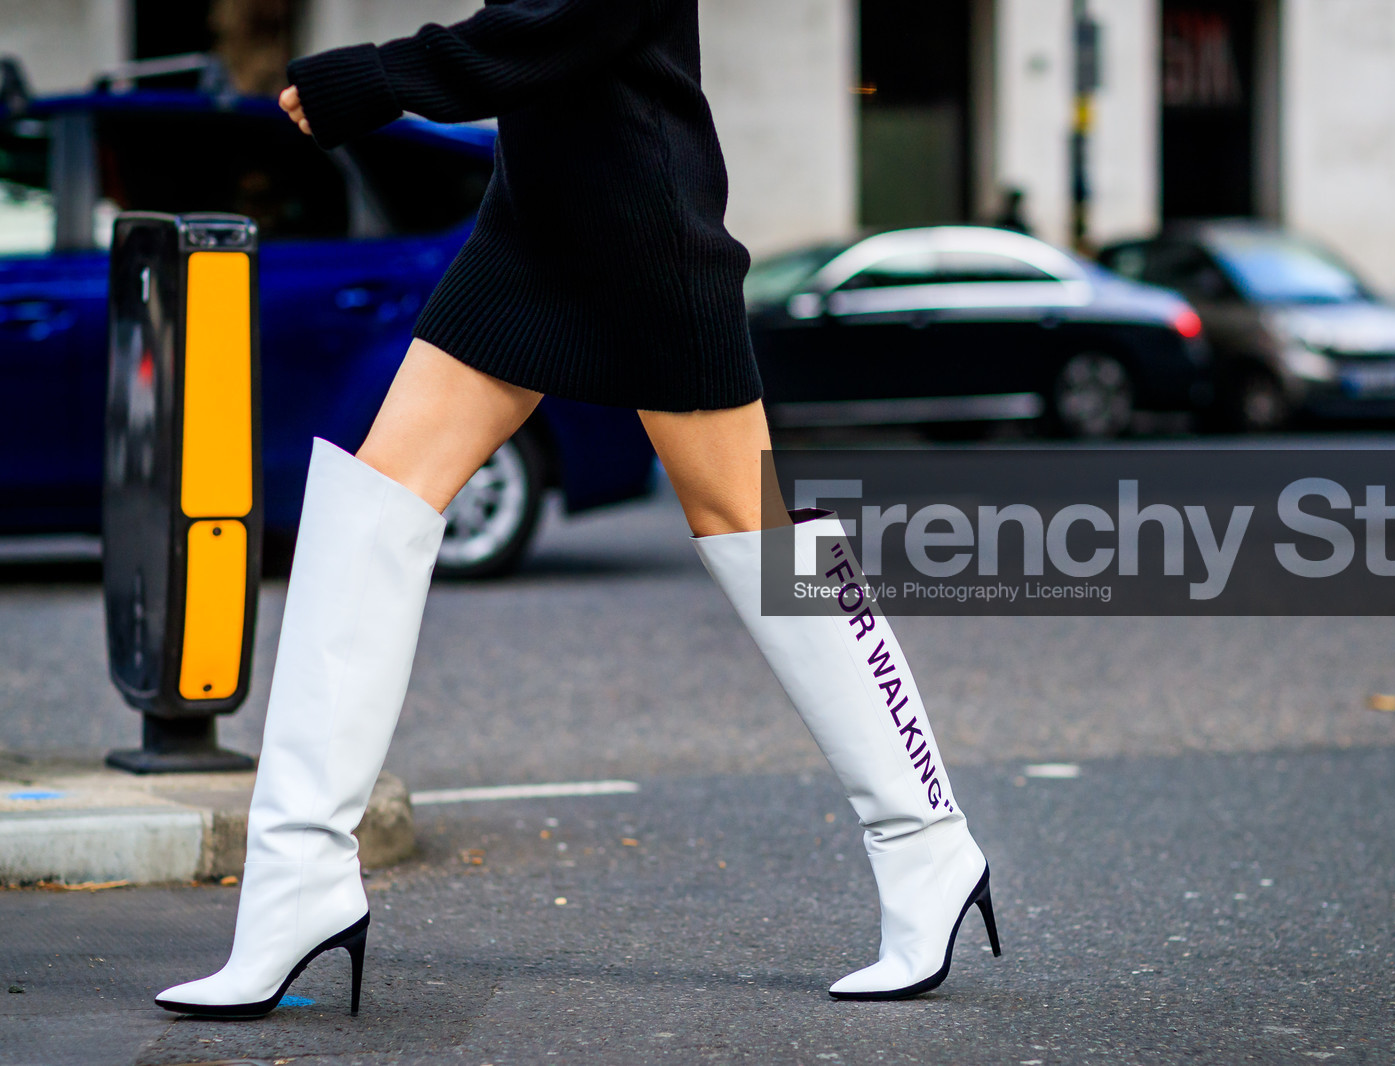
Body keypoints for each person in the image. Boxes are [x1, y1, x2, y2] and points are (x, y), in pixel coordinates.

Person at [154, 0, 997, 1019]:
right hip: (534, 228)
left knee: (760, 534)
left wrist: (379, 79)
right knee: (370, 500)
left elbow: (564, 19)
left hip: (645, 226)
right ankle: (296, 887)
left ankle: (925, 843)